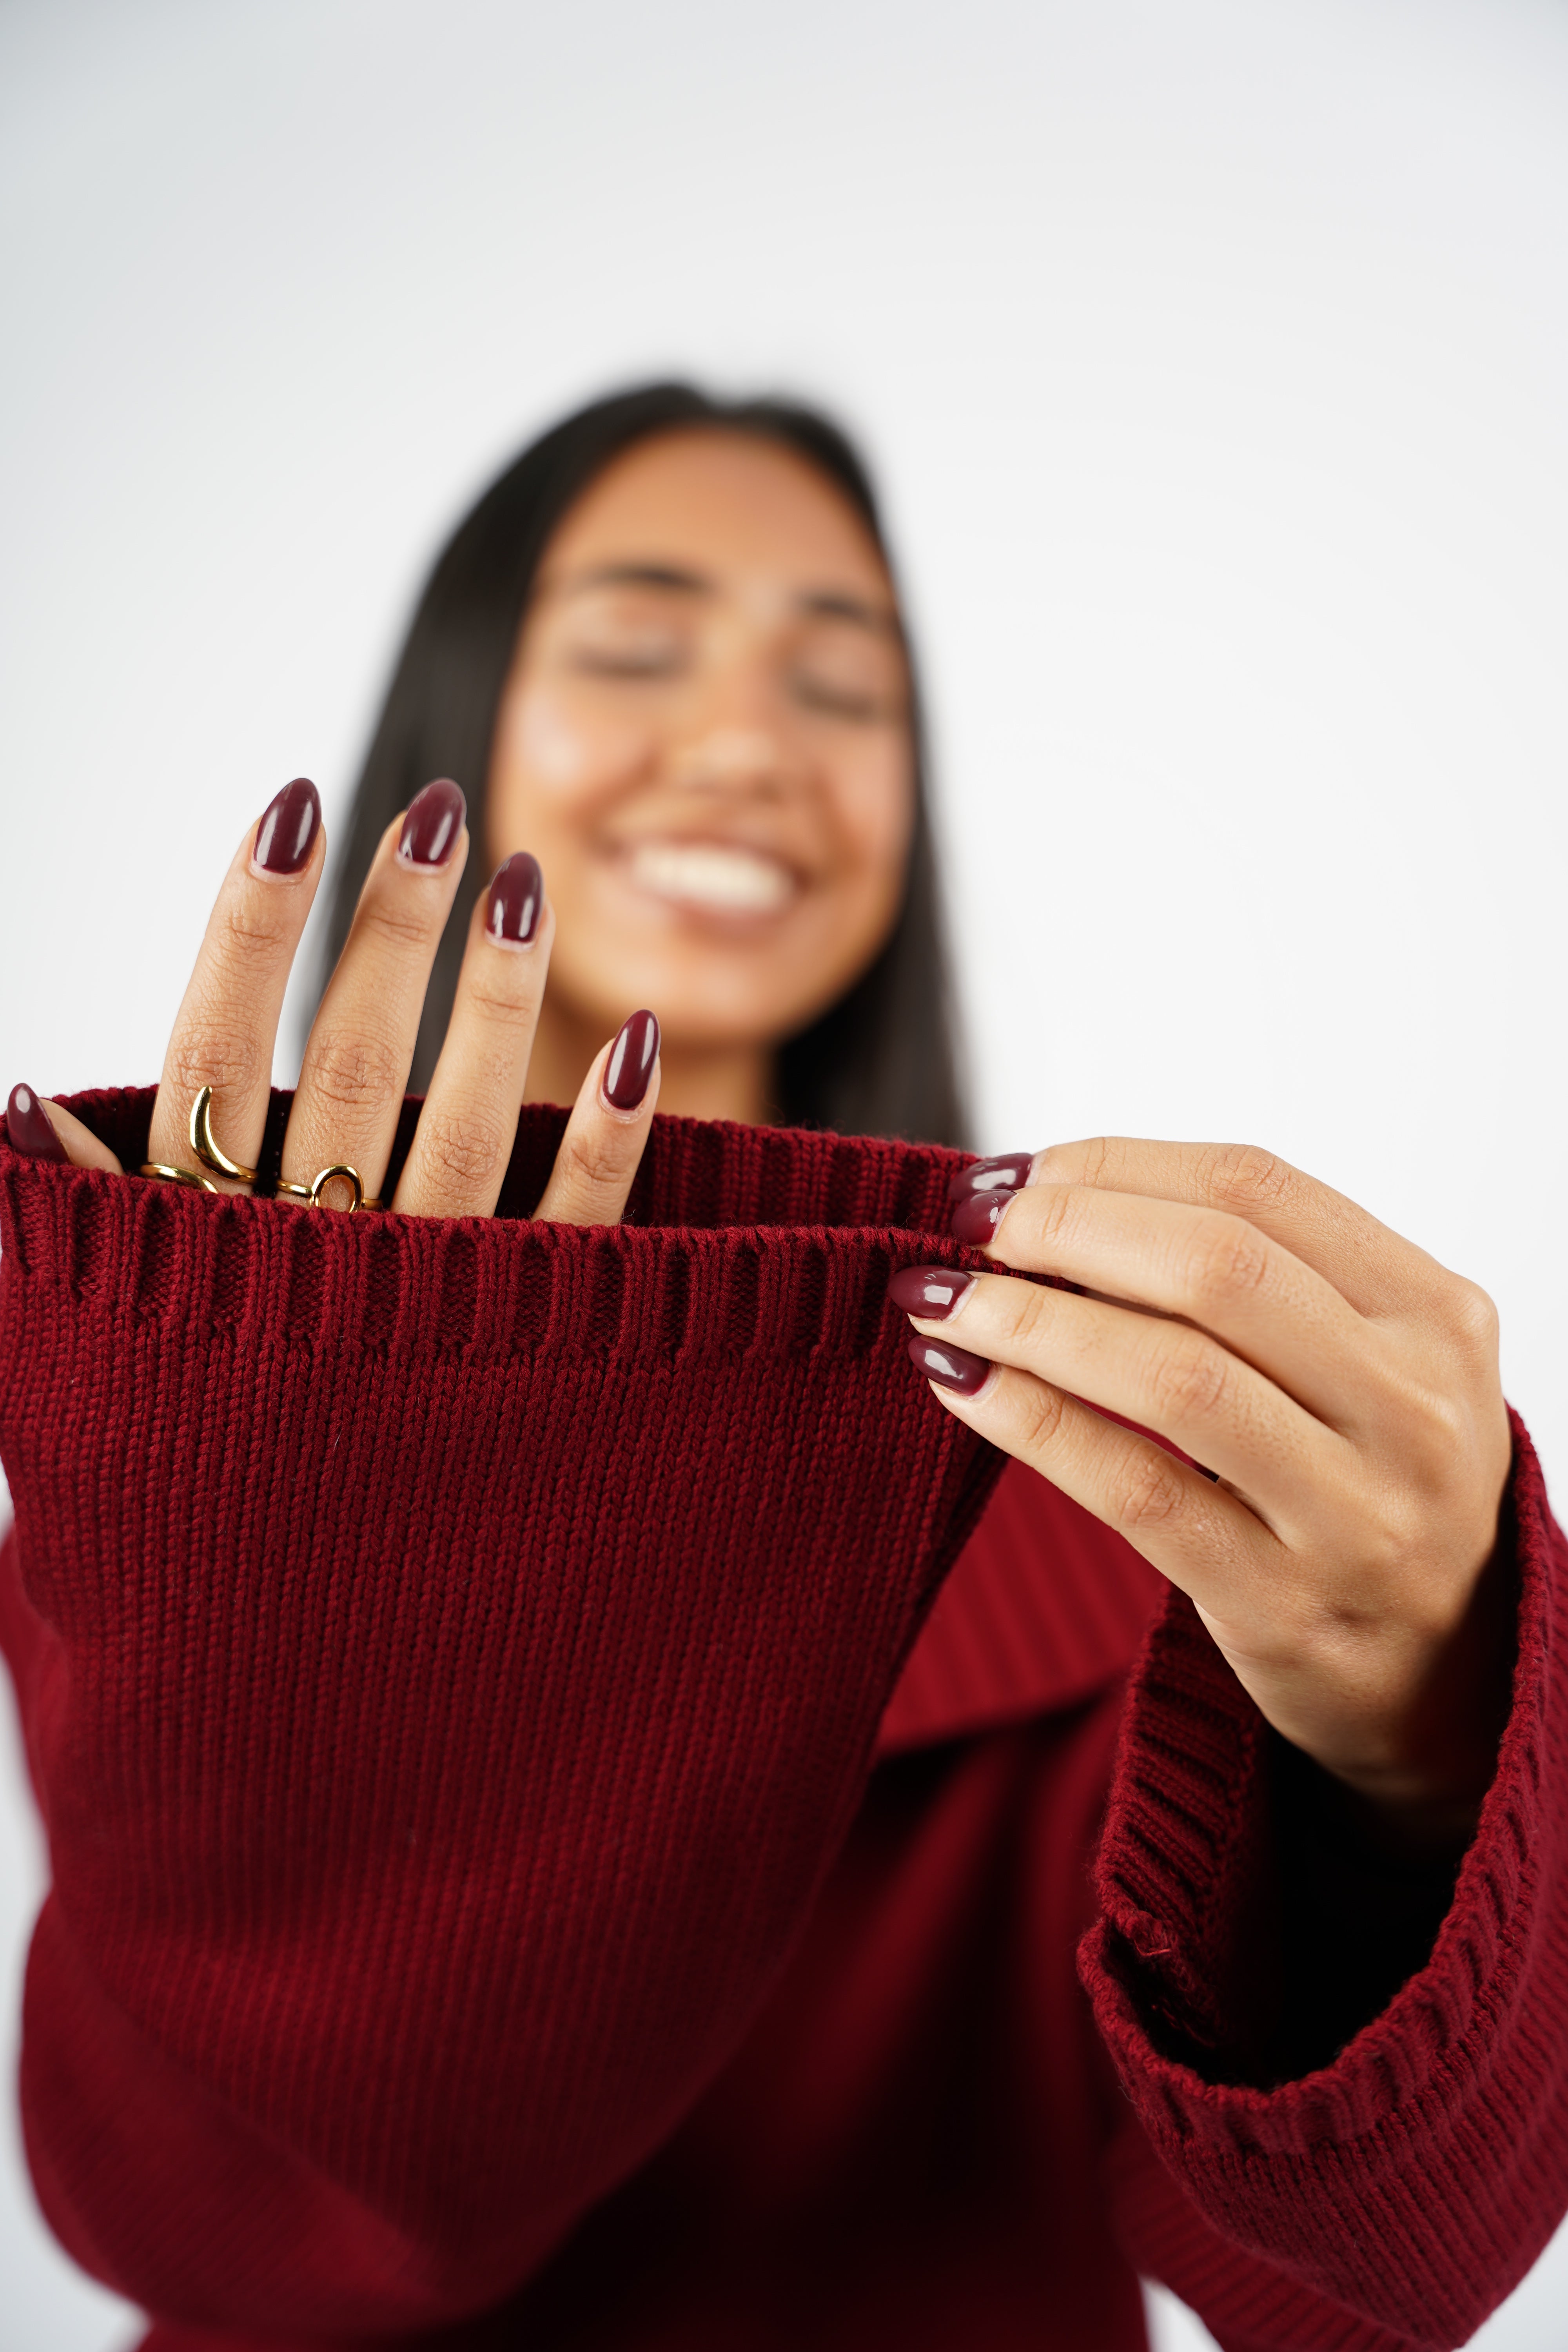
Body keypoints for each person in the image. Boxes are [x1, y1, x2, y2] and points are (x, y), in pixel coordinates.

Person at [1, 382, 1564, 2351]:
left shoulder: (1092, 1456)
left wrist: (1411, 1770)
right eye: (635, 647)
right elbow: (208, 2230)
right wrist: (268, 1426)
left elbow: (1360, 2284)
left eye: (843, 688)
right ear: (464, 711)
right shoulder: (206, 1384)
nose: (750, 745)